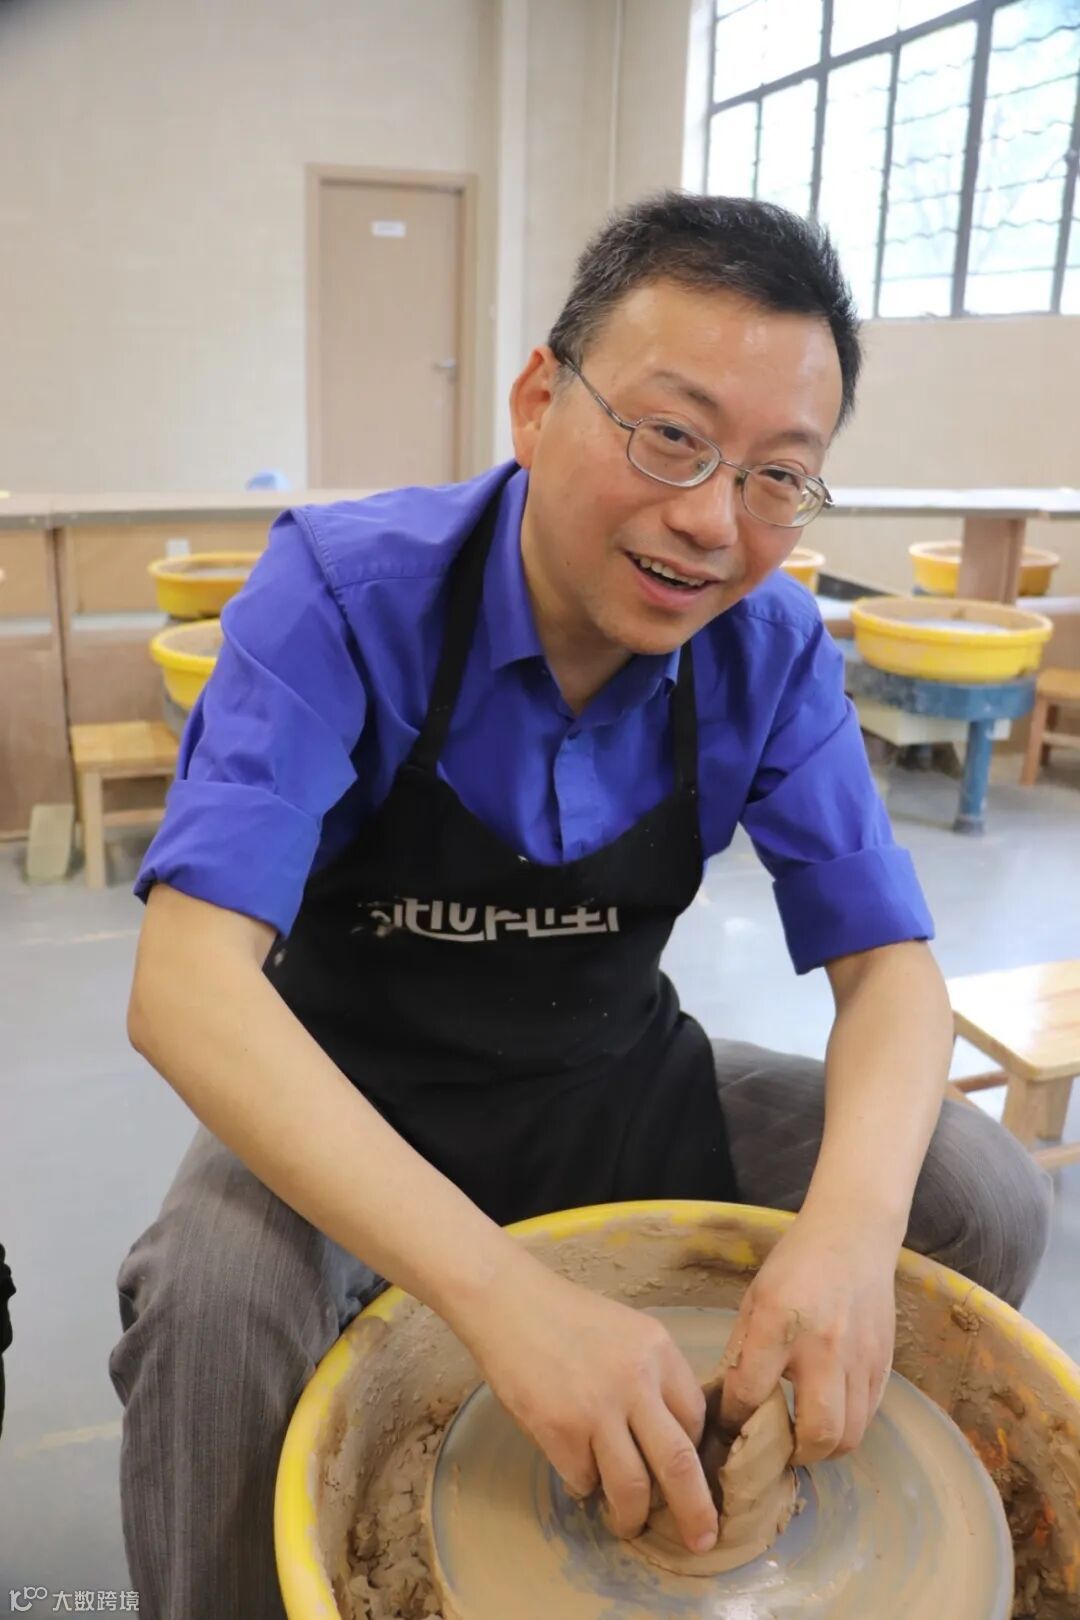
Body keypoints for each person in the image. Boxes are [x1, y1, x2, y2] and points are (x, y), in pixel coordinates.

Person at [110, 192, 1050, 1620]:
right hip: (357, 1103)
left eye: (778, 477)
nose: (710, 521)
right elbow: (186, 985)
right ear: (539, 401)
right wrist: (504, 1299)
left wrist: (853, 1238)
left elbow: (891, 972)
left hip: (614, 1085)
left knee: (974, 1194)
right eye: (670, 436)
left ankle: (797, 1501)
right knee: (212, 1307)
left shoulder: (770, 647)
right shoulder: (343, 595)